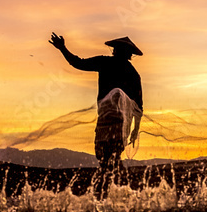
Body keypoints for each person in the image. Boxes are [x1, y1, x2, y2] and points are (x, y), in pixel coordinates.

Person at [49, 33, 143, 173]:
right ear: (130, 54)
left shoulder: (106, 63)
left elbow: (78, 63)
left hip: (109, 119)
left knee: (105, 156)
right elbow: (139, 107)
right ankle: (118, 185)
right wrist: (135, 129)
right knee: (111, 157)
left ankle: (118, 185)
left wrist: (62, 48)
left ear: (115, 50)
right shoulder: (133, 73)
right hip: (119, 122)